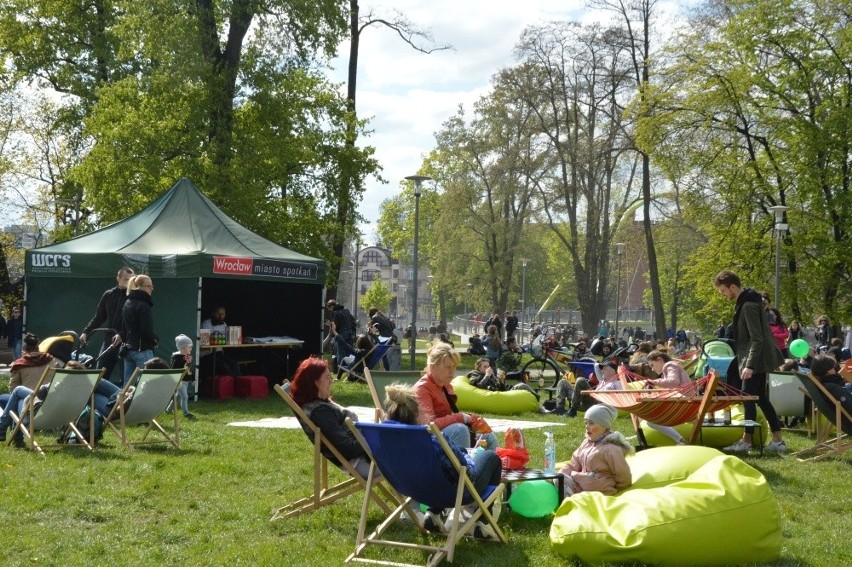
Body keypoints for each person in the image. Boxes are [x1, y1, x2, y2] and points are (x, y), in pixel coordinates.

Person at [383, 384, 503, 540]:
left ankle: (433, 514)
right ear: (417, 412)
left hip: (413, 490)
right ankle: (482, 523)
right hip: (454, 493)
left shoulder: (384, 439)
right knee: (491, 458)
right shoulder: (432, 441)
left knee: (459, 451)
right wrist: (468, 458)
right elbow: (462, 468)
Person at [713, 270, 787, 453]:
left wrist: (749, 365)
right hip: (757, 357)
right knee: (760, 397)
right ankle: (778, 442)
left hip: (757, 359)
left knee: (747, 396)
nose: (723, 296)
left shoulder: (748, 306)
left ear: (732, 286)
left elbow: (757, 338)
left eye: (723, 291)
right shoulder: (748, 301)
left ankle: (747, 442)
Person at [289, 356, 372, 478]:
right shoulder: (321, 412)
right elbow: (347, 448)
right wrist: (374, 439)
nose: (331, 381)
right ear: (314, 382)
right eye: (327, 377)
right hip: (362, 463)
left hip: (364, 457)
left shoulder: (316, 404)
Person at [413, 341, 497, 450]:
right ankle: (464, 465)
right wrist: (459, 417)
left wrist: (470, 419)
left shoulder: (445, 385)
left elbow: (447, 415)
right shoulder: (422, 389)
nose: (452, 371)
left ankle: (494, 465)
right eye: (448, 367)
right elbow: (428, 425)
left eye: (454, 366)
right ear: (433, 367)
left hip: (443, 435)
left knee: (488, 435)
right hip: (427, 441)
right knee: (460, 430)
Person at [556, 404, 633, 498]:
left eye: (591, 423)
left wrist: (618, 491)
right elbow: (573, 464)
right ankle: (569, 501)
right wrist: (559, 474)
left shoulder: (611, 449)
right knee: (559, 479)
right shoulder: (587, 443)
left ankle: (571, 502)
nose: (587, 426)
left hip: (601, 491)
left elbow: (623, 475)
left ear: (604, 426)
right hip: (582, 486)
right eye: (586, 423)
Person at [0, 333, 63, 444]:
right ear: (38, 347)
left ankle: (9, 431)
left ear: (25, 350)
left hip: (32, 405)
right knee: (18, 397)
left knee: (10, 396)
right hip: (51, 402)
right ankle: (13, 434)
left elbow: (12, 388)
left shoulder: (20, 364)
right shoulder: (51, 360)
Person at [79, 267, 134, 384]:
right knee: (100, 376)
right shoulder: (109, 295)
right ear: (118, 279)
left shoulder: (134, 296)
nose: (129, 282)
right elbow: (99, 317)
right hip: (109, 340)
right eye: (125, 279)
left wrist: (122, 335)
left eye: (131, 279)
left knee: (127, 380)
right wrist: (86, 332)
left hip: (127, 343)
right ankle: (98, 401)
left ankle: (123, 401)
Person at [641, 350, 690, 445]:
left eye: (652, 365)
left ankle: (680, 440)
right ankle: (680, 440)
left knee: (651, 420)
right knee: (649, 417)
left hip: (684, 404)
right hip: (684, 402)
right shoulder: (669, 368)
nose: (652, 369)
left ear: (659, 359)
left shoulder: (670, 365)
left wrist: (654, 382)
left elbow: (673, 382)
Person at [121, 274, 158, 386]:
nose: (152, 288)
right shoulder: (144, 305)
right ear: (140, 287)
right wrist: (155, 340)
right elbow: (146, 331)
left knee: (127, 386)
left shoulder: (127, 303)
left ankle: (123, 404)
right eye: (148, 286)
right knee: (147, 385)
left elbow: (124, 329)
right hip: (142, 349)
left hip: (129, 349)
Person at [551, 360, 623, 417]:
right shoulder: (602, 381)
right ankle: (560, 408)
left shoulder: (617, 383)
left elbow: (622, 396)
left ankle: (573, 410)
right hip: (581, 401)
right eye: (602, 369)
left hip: (597, 404)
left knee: (581, 380)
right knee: (562, 382)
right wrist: (598, 364)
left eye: (605, 369)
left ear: (612, 371)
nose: (602, 371)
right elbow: (597, 367)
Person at [200, 306, 241, 378]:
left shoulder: (224, 324)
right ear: (213, 314)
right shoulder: (205, 324)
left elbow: (227, 340)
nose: (220, 316)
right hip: (207, 355)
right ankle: (234, 381)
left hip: (219, 353)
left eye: (223, 314)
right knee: (224, 366)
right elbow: (204, 342)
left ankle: (238, 383)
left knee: (235, 364)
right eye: (218, 314)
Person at [466, 358, 538, 398]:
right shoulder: (475, 375)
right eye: (484, 367)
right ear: (478, 367)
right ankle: (538, 398)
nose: (487, 368)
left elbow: (500, 387)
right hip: (498, 395)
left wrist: (501, 380)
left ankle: (536, 399)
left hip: (502, 392)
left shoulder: (488, 375)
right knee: (522, 386)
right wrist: (487, 376)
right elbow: (479, 386)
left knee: (522, 388)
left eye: (488, 366)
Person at [166, 334, 196, 420]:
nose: (191, 349)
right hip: (180, 381)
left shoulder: (189, 357)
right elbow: (174, 370)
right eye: (189, 347)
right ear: (183, 348)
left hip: (186, 380)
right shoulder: (177, 359)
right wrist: (177, 379)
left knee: (178, 396)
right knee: (185, 396)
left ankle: (168, 409)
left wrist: (193, 379)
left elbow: (191, 368)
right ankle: (186, 412)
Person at [325, 299, 356, 369]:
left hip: (342, 333)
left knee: (340, 351)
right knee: (349, 351)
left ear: (332, 306)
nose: (329, 310)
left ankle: (340, 369)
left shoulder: (335, 312)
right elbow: (353, 321)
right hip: (350, 333)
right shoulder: (346, 310)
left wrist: (330, 325)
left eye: (329, 308)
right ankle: (350, 367)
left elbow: (336, 325)